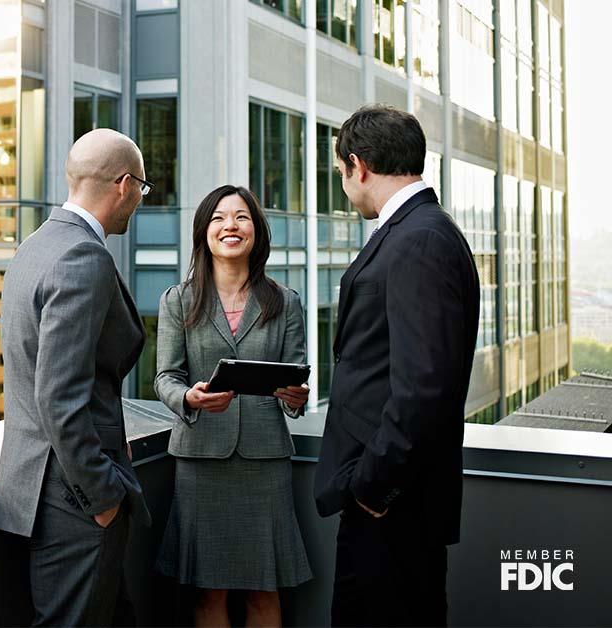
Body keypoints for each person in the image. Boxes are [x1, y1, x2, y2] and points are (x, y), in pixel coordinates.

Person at [313, 105, 480, 627]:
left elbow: (423, 386)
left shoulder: (420, 239)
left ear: (358, 166)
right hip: (388, 503)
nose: (345, 184)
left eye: (340, 173)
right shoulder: (416, 231)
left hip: (392, 508)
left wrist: (372, 488)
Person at [0, 129, 152, 626]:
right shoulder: (85, 256)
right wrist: (102, 496)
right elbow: (58, 397)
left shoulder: (37, 244)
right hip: (73, 496)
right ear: (124, 185)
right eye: (143, 190)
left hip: (35, 489)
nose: (140, 202)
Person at [153, 185, 313, 627]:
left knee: (264, 593)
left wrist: (295, 397)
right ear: (204, 231)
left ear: (257, 232)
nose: (230, 226)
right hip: (201, 461)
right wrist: (188, 397)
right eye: (219, 218)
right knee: (209, 594)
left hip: (264, 462)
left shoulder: (285, 302)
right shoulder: (177, 300)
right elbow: (165, 377)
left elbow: (296, 380)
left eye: (241, 217)